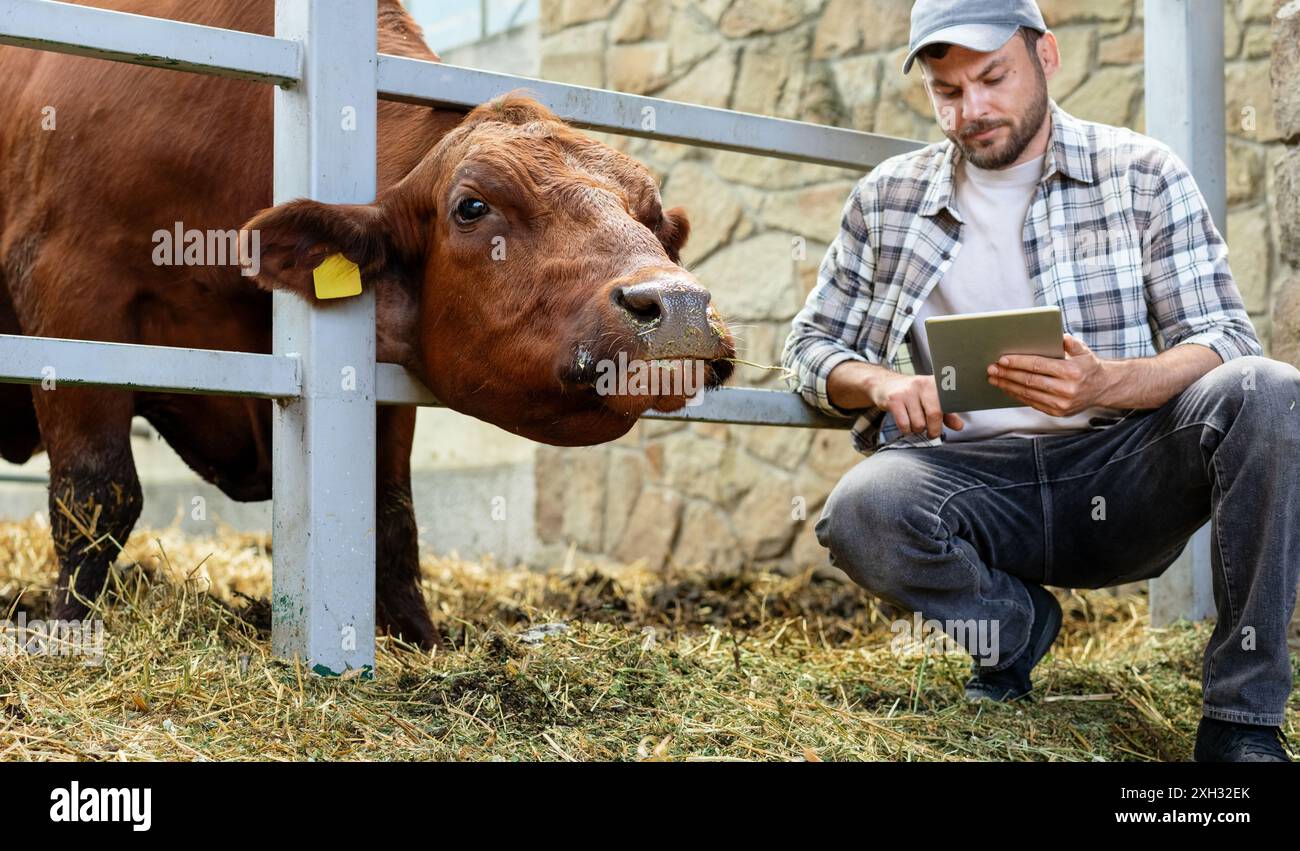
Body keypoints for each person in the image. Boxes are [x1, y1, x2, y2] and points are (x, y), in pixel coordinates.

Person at [782, 0, 1299, 762]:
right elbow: (808, 345)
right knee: (862, 508)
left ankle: (1242, 720)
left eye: (993, 79)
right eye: (948, 91)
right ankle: (1016, 625)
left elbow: (1223, 339)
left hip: (1119, 471)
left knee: (1268, 388)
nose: (973, 109)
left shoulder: (1140, 172)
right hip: (972, 486)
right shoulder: (887, 199)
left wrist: (1109, 384)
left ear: (1047, 59)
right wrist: (883, 383)